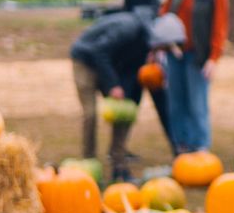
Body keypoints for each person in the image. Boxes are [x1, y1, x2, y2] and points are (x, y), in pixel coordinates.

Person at [70, 12, 186, 181]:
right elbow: (99, 52)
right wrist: (113, 85)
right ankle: (89, 166)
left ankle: (119, 166)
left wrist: (176, 147)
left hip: (107, 65)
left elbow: (152, 96)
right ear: (159, 40)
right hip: (85, 60)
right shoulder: (129, 30)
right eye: (164, 48)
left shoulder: (146, 50)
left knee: (125, 112)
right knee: (90, 113)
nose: (163, 52)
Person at [158, 0, 228, 154]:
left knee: (197, 103)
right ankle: (181, 144)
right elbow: (167, 12)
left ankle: (200, 146)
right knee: (176, 102)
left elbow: (220, 27)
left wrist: (214, 57)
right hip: (175, 51)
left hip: (197, 55)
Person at [118, 0, 174, 154]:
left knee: (133, 102)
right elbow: (144, 21)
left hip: (134, 53)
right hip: (141, 55)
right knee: (159, 101)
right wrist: (153, 47)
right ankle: (176, 146)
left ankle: (120, 147)